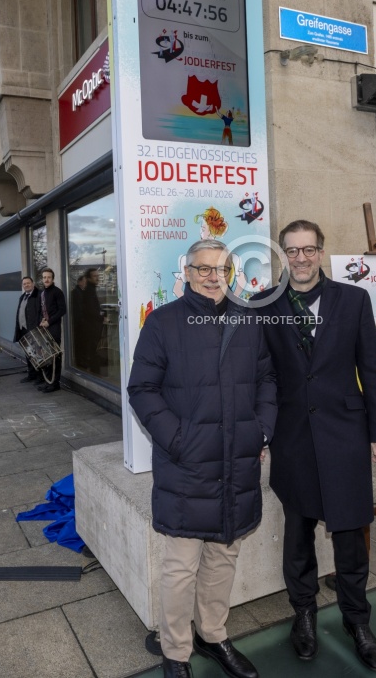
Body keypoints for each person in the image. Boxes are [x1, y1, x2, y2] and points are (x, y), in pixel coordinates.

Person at [128, 239, 277, 678]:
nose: (214, 277)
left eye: (222, 269)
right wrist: (179, 440)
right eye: (204, 269)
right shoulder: (163, 322)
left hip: (238, 464)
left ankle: (213, 635)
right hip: (188, 467)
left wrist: (262, 429)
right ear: (188, 272)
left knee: (223, 557)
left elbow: (267, 377)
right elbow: (142, 389)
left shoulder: (248, 319)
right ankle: (176, 652)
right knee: (180, 567)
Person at [253, 220, 376, 672]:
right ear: (283, 255)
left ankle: (358, 622)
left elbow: (372, 369)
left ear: (321, 251)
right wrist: (259, 431)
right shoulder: (264, 305)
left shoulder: (353, 300)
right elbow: (260, 377)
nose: (300, 258)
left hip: (345, 436)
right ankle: (305, 616)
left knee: (350, 538)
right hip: (292, 438)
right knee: (298, 537)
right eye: (291, 251)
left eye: (308, 250)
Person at [37, 267, 67, 393]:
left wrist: (49, 322)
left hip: (54, 329)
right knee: (47, 357)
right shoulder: (42, 293)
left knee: (55, 357)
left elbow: (62, 310)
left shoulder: (57, 292)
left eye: (49, 277)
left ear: (53, 278)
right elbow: (41, 310)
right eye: (44, 277)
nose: (46, 279)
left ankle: (55, 384)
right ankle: (48, 381)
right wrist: (42, 321)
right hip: (45, 328)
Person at [14, 276, 40, 383]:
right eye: (24, 284)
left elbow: (41, 312)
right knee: (28, 353)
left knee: (37, 354)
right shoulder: (23, 296)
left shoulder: (38, 295)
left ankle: (40, 377)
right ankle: (31, 374)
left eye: (28, 283)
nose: (26, 285)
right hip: (23, 330)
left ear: (33, 283)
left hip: (33, 330)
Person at [82, 268, 107, 373]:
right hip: (91, 327)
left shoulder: (91, 290)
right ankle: (95, 371)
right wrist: (102, 318)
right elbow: (90, 310)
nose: (98, 278)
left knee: (93, 350)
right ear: (88, 278)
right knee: (93, 350)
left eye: (98, 275)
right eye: (94, 276)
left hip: (92, 326)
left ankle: (94, 370)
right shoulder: (89, 292)